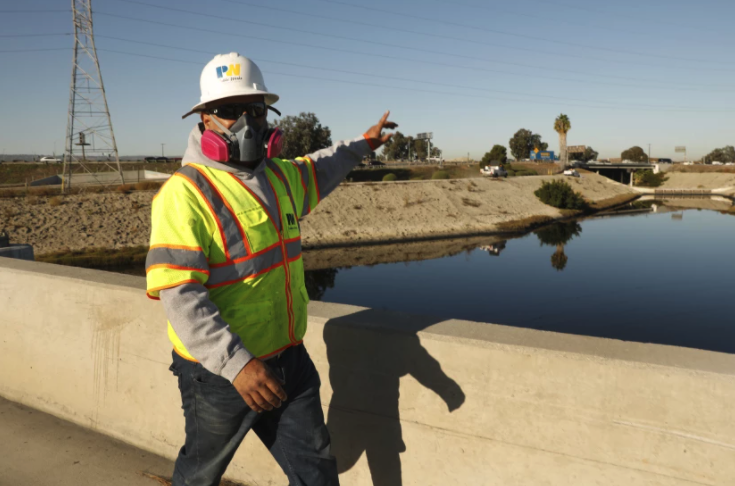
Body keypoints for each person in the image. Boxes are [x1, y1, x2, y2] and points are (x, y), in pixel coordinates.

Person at [145, 52, 397, 486]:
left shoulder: (280, 178)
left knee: (316, 470)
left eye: (254, 110)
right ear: (205, 119)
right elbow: (180, 295)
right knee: (199, 475)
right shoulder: (184, 194)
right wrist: (237, 365)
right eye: (227, 111)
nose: (245, 122)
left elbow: (323, 165)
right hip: (219, 376)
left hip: (287, 360)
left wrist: (365, 144)